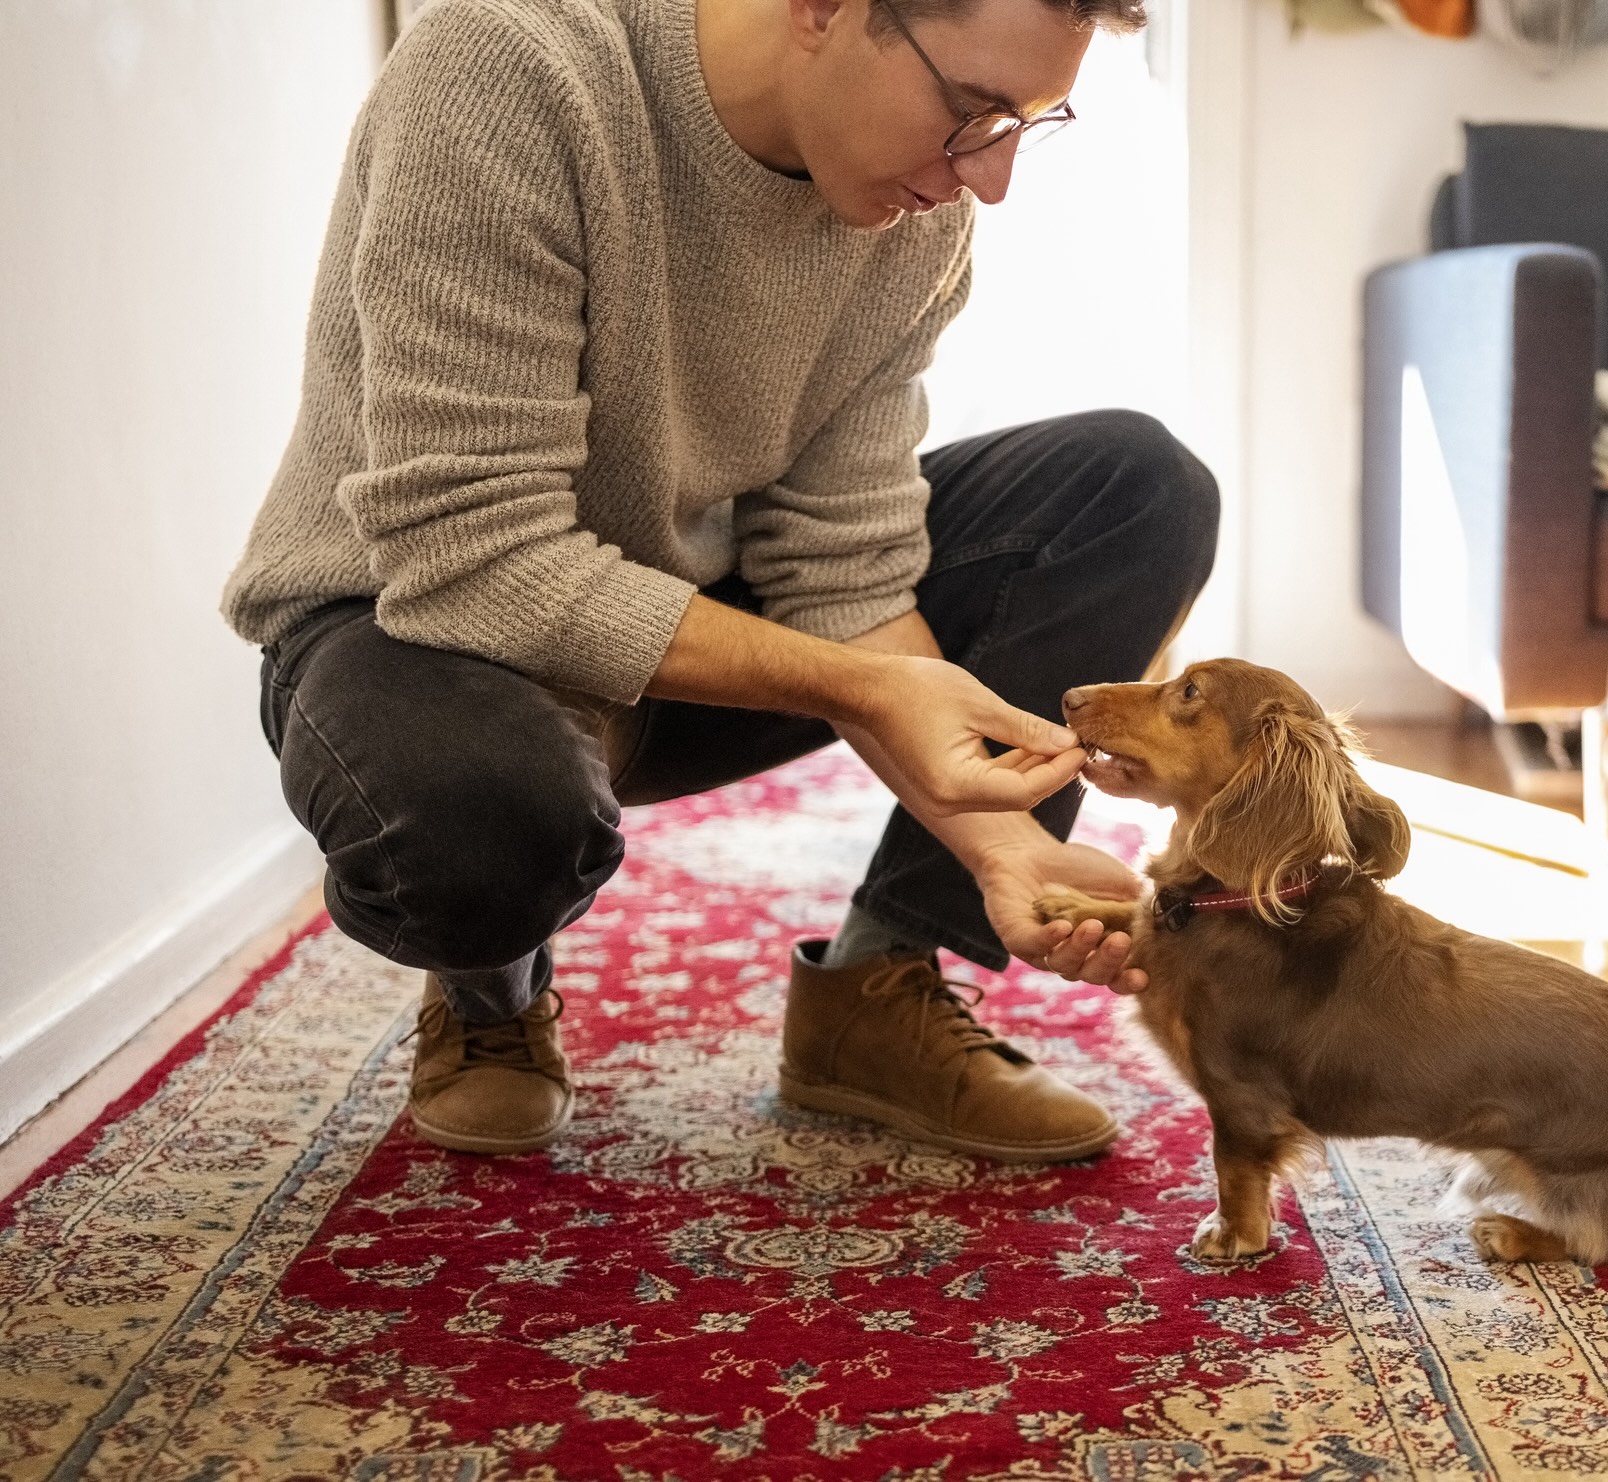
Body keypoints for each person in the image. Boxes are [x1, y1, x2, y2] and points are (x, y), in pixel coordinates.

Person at [221, 0, 1217, 1162]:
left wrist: (1003, 851)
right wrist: (864, 690)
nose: (990, 179)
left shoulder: (911, 218)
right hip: (419, 622)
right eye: (971, 112)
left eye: (1026, 125)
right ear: (825, 10)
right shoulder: (507, 67)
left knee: (1135, 486)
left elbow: (840, 561)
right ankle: (489, 995)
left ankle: (877, 988)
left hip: (678, 623)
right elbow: (472, 558)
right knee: (479, 824)